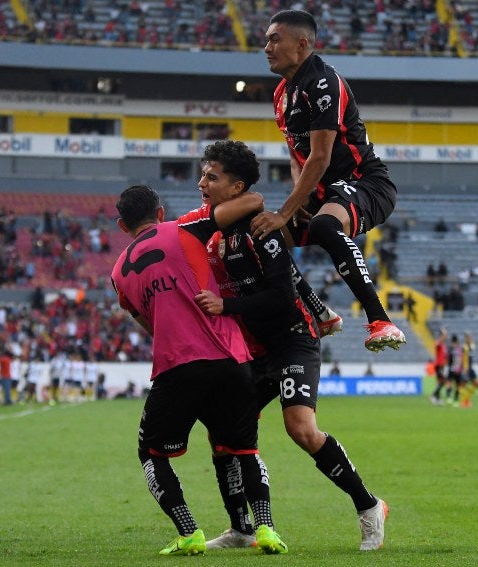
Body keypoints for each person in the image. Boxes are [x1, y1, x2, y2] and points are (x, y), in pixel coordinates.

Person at [192, 140, 387, 551]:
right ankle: (242, 528)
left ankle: (369, 506)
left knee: (299, 428)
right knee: (225, 429)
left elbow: (282, 294)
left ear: (236, 186)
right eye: (202, 175)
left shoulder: (263, 229)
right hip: (255, 349)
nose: (202, 183)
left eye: (212, 177)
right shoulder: (215, 235)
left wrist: (226, 306)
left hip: (293, 339)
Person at [110, 184, 287, 556]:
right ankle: (266, 529)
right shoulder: (186, 226)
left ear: (122, 225)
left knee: (152, 454)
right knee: (243, 448)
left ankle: (189, 531)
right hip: (231, 360)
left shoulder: (117, 273)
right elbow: (255, 200)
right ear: (160, 213)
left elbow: (150, 324)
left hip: (179, 366)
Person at [252, 9, 405, 353]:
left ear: (301, 43)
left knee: (321, 225)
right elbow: (298, 156)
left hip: (367, 184)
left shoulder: (322, 82)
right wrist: (299, 202)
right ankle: (318, 311)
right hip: (325, 195)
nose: (266, 47)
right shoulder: (281, 94)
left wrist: (286, 209)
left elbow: (320, 155)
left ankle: (381, 320)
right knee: (261, 237)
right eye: (266, 40)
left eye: (274, 38)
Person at [459, 332, 478, 408]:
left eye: (470, 337)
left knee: (477, 383)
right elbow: (461, 357)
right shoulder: (463, 347)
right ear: (465, 338)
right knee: (462, 385)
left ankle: (467, 399)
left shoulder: (471, 345)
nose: (469, 338)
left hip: (470, 368)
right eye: (468, 337)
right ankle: (464, 402)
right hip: (465, 368)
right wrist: (463, 368)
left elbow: (473, 347)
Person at [429, 328, 449, 406]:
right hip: (438, 365)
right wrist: (443, 334)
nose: (445, 337)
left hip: (442, 366)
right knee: (443, 381)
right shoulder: (438, 343)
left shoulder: (443, 345)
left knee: (440, 382)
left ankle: (437, 398)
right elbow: (437, 344)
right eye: (444, 336)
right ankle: (433, 395)